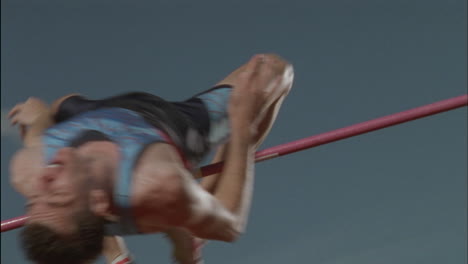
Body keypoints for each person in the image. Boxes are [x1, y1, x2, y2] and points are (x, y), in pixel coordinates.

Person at [8, 54, 294, 264]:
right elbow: (230, 224)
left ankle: (167, 233)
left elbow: (40, 134)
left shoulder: (29, 171)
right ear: (97, 200)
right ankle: (181, 233)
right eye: (56, 196)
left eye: (34, 200)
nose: (44, 180)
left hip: (96, 116)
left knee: (62, 104)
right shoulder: (157, 183)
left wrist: (39, 118)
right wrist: (242, 127)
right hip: (168, 123)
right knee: (276, 70)